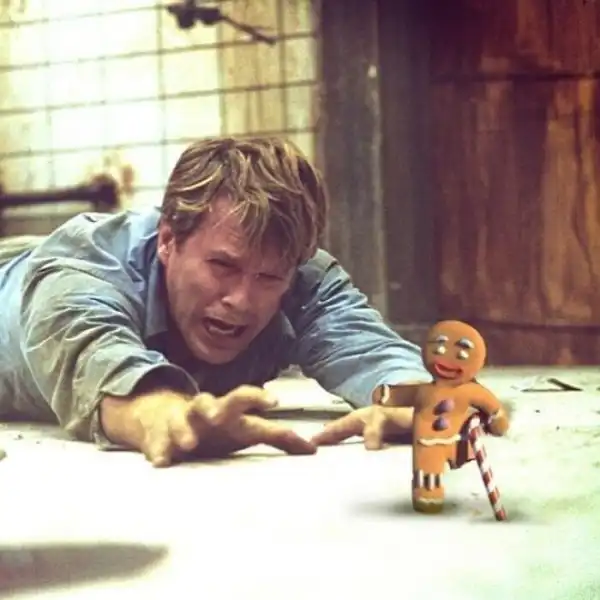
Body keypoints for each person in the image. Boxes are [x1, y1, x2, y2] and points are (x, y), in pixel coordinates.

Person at [0, 136, 430, 467]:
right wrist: (167, 415)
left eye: (268, 277)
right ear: (168, 240)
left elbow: (374, 353)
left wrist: (419, 401)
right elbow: (97, 361)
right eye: (223, 266)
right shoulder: (84, 266)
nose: (241, 300)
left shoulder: (302, 278)